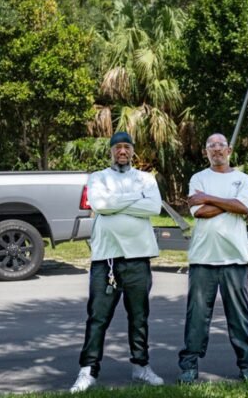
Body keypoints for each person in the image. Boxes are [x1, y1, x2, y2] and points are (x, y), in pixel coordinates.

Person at [70, 131, 164, 392]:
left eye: (127, 147)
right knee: (98, 317)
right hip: (106, 259)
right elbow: (99, 203)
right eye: (117, 147)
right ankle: (88, 370)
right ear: (111, 151)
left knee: (139, 316)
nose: (122, 151)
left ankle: (141, 367)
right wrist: (136, 199)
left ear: (133, 151)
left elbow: (153, 207)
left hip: (138, 258)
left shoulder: (146, 178)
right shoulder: (98, 177)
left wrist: (115, 203)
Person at [177, 133, 248, 383]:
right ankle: (189, 366)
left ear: (229, 150)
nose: (216, 150)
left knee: (239, 317)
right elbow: (200, 212)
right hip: (203, 259)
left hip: (235, 259)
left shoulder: (243, 179)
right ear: (206, 152)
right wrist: (229, 203)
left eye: (220, 146)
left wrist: (210, 197)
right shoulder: (198, 178)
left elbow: (244, 208)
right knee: (197, 317)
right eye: (211, 147)